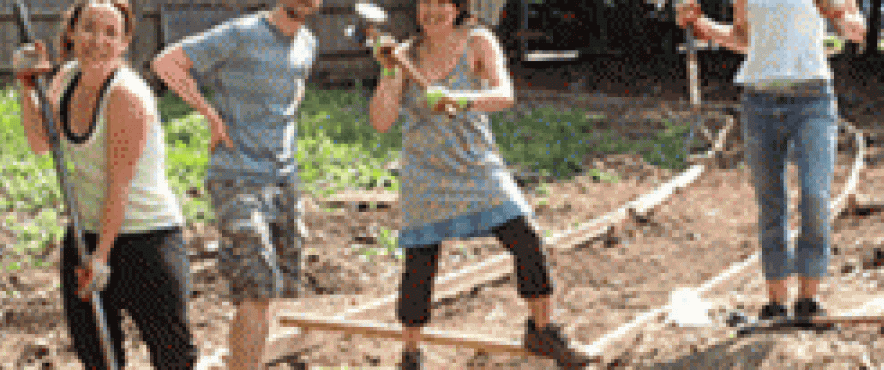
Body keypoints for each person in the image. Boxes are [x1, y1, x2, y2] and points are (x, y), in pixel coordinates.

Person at [368, 0, 588, 368]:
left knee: (526, 238)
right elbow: (380, 121)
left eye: (442, 3)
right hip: (426, 172)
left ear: (457, 9)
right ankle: (410, 352)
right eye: (426, 2)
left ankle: (543, 331)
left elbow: (505, 95)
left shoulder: (478, 41)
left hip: (477, 166)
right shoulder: (404, 55)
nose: (433, 11)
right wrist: (390, 74)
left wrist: (462, 99)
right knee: (420, 261)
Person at [13, 0, 197, 369]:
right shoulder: (65, 79)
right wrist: (27, 86)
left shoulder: (125, 95)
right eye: (89, 28)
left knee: (171, 354)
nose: (98, 40)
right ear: (71, 32)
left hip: (147, 236)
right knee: (95, 351)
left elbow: (120, 185)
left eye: (111, 33)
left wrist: (101, 259)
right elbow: (41, 142)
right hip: (88, 231)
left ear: (125, 43)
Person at [149, 0, 320, 368]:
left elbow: (295, 90)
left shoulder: (308, 42)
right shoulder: (242, 33)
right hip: (238, 177)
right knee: (256, 288)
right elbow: (166, 63)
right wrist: (210, 115)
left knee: (274, 290)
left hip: (283, 179)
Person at [676, 0, 866, 320]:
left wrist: (846, 23)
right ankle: (776, 302)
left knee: (815, 195)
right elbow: (744, 39)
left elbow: (857, 30)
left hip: (813, 100)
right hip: (759, 102)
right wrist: (703, 26)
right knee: (770, 202)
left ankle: (808, 300)